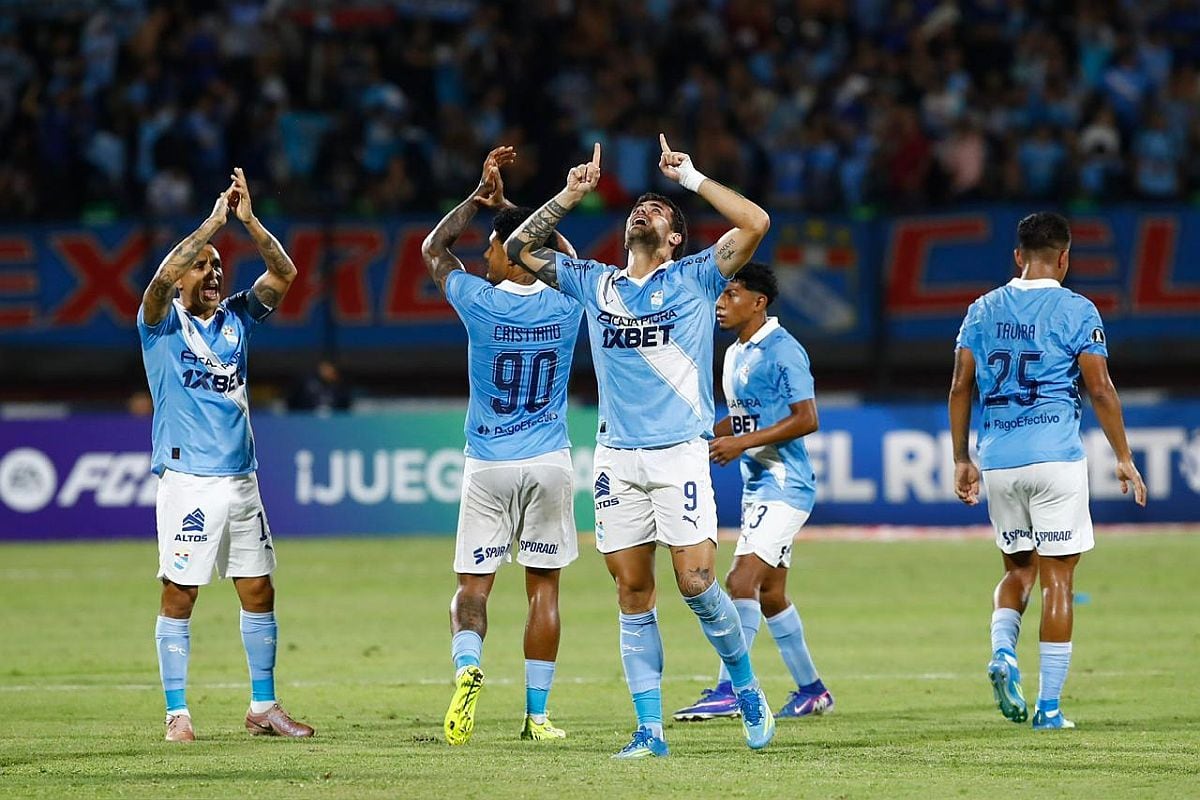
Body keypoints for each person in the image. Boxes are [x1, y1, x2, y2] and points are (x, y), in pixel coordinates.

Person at [505, 135, 775, 758]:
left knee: (697, 580)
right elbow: (522, 247)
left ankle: (746, 688)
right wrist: (572, 193)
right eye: (638, 208)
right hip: (616, 458)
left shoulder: (698, 277)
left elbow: (756, 222)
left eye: (657, 211)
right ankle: (649, 730)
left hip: (679, 450)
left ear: (676, 236)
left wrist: (691, 176)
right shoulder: (593, 283)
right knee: (632, 591)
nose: (643, 212)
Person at [949, 211, 1147, 731]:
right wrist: (1124, 456)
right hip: (1056, 456)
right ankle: (1050, 708)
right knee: (1058, 578)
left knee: (1017, 571)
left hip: (998, 459)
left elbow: (959, 387)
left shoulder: (981, 308)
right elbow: (1100, 389)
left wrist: (960, 459)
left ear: (1017, 256)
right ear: (1064, 258)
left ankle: (1002, 651)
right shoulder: (1078, 309)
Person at [138, 167, 313, 742]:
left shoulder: (238, 318)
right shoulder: (160, 324)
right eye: (203, 265)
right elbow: (161, 278)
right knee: (180, 592)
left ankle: (263, 707)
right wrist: (213, 222)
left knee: (258, 586)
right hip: (189, 481)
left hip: (242, 480)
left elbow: (284, 273)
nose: (213, 274)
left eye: (217, 265)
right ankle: (177, 714)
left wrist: (249, 222)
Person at [421, 146, 583, 746]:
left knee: (472, 587)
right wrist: (537, 228)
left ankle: (468, 668)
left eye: (491, 245)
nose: (484, 254)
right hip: (549, 463)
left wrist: (478, 200)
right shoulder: (570, 302)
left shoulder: (478, 301)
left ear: (506, 252)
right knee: (543, 590)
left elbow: (433, 250)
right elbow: (564, 253)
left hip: (489, 462)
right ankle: (537, 716)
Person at [673, 262, 833, 722]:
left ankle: (729, 689)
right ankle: (813, 690)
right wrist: (700, 441)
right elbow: (746, 416)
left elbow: (807, 418)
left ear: (759, 302)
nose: (720, 304)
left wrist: (738, 443)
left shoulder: (783, 351)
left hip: (785, 486)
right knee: (771, 595)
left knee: (740, 581)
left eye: (732, 295)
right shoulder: (738, 352)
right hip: (758, 485)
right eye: (721, 296)